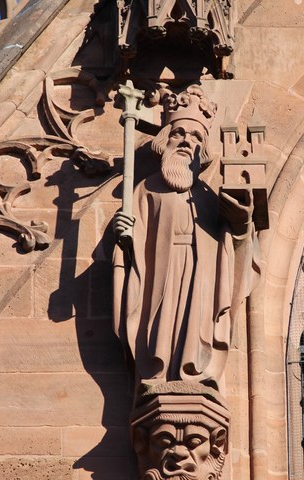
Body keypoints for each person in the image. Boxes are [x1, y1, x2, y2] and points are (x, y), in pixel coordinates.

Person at [113, 85, 258, 388]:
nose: (186, 142)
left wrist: (242, 223)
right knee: (160, 326)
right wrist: (125, 237)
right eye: (179, 134)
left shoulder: (207, 195)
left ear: (202, 150)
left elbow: (232, 249)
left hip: (199, 272)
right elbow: (133, 241)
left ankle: (196, 372)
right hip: (160, 272)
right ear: (165, 141)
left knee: (196, 322)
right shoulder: (146, 189)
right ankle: (157, 371)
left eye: (196, 138)